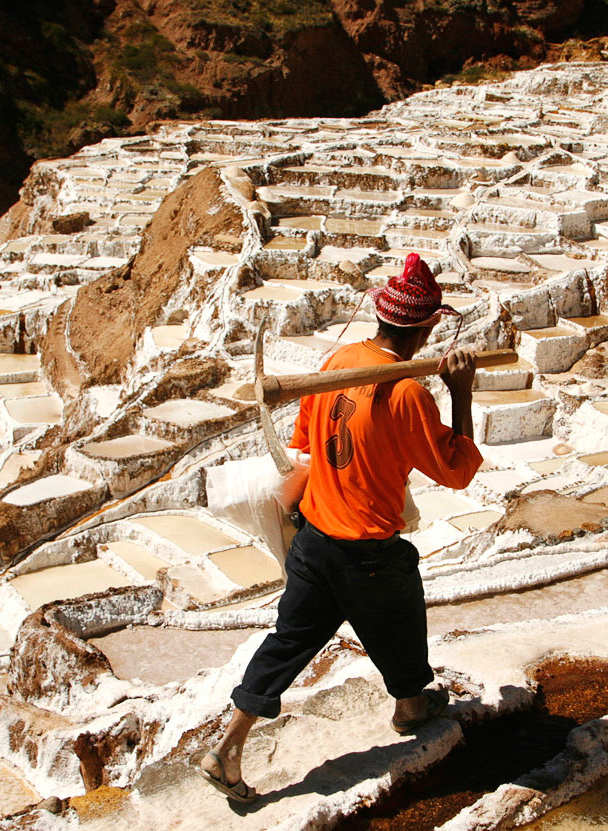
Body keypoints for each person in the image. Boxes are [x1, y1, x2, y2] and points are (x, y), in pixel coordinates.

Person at [196, 253, 482, 803]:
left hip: (314, 541)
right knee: (401, 608)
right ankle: (409, 705)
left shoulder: (339, 362)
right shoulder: (407, 393)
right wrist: (461, 390)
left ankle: (227, 747)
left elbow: (304, 447)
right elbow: (459, 471)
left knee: (289, 642)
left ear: (381, 318)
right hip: (367, 552)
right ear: (424, 328)